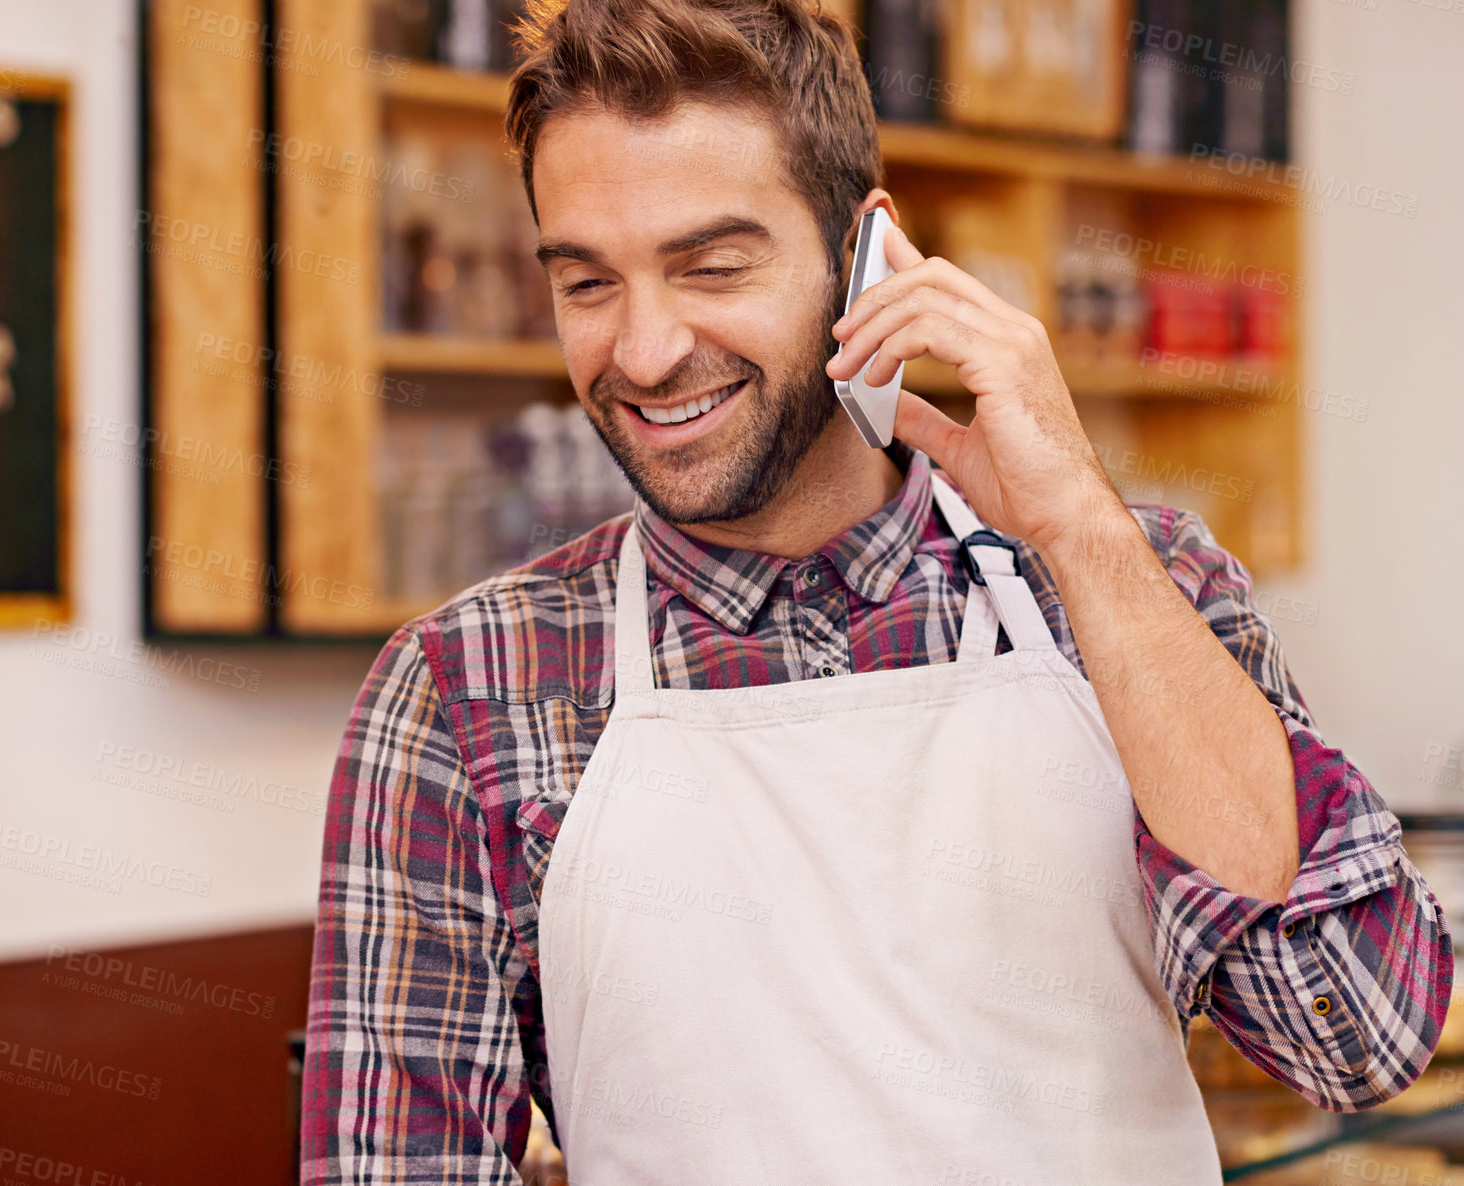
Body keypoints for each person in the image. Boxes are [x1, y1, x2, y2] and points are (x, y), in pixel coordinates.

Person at [301, 0, 1451, 1181]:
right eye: (588, 283)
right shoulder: (461, 690)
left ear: (866, 254)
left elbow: (1355, 1039)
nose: (643, 353)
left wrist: (1085, 535)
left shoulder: (1131, 584)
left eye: (712, 266)